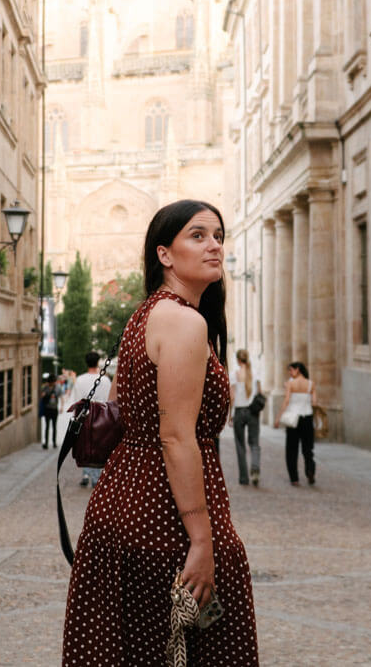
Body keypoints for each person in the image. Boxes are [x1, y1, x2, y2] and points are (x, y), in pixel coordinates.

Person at [63, 200, 258, 665]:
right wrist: (202, 540)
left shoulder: (148, 313)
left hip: (122, 503)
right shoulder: (183, 321)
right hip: (162, 517)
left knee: (127, 648)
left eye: (218, 235)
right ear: (165, 255)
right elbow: (176, 438)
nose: (215, 245)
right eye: (198, 235)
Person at [71, 351, 112, 487]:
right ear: (98, 362)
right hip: (102, 417)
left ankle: (86, 474)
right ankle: (96, 477)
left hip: (84, 417)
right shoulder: (105, 380)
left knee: (85, 445)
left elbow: (77, 401)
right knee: (99, 446)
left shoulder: (80, 380)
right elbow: (109, 400)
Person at [274, 361, 316, 486]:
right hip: (307, 417)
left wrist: (278, 418)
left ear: (297, 370)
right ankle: (310, 469)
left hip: (293, 419)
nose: (290, 373)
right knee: (307, 448)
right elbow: (314, 402)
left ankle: (294, 478)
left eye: (291, 370)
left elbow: (286, 401)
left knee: (292, 449)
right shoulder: (311, 384)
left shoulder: (290, 384)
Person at [229, 349, 261, 487]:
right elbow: (260, 393)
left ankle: (244, 478)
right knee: (254, 443)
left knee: (240, 445)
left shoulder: (234, 375)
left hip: (239, 411)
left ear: (237, 360)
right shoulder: (255, 374)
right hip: (253, 411)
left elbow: (232, 396)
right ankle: (255, 467)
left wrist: (230, 415)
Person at [39, 375, 59, 449]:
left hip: (54, 409)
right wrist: (44, 394)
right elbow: (41, 395)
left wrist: (62, 406)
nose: (53, 383)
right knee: (47, 426)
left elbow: (60, 395)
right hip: (47, 409)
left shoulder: (57, 388)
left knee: (54, 426)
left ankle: (54, 442)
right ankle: (46, 443)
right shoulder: (45, 387)